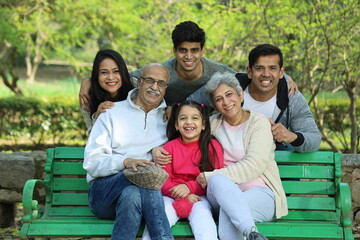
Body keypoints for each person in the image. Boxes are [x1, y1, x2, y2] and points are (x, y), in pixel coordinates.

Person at [83, 63, 174, 240]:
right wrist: (125, 162)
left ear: (165, 88)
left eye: (160, 83)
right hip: (104, 193)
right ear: (139, 82)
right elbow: (92, 162)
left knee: (132, 194)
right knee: (146, 176)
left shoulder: (168, 119)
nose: (155, 87)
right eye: (150, 81)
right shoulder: (111, 113)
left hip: (140, 198)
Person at [195, 72, 288, 240]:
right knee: (219, 183)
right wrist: (158, 149)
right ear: (215, 106)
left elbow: (254, 165)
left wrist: (211, 175)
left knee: (229, 209)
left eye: (229, 94)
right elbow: (184, 140)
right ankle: (252, 233)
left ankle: (249, 232)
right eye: (218, 99)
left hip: (259, 193)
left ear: (241, 95)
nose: (226, 102)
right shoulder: (211, 124)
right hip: (219, 192)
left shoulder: (259, 123)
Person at [188, 44, 320, 152]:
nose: (266, 74)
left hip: (271, 161)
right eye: (259, 68)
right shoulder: (229, 85)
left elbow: (314, 139)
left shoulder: (291, 97)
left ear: (281, 72)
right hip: (228, 155)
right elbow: (190, 104)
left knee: (286, 151)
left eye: (272, 68)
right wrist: (175, 109)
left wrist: (291, 137)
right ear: (250, 71)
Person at [143, 100, 224, 240]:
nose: (188, 122)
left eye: (195, 118)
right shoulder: (169, 148)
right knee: (160, 217)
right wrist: (181, 194)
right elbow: (163, 180)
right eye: (183, 118)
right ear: (176, 125)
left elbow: (215, 178)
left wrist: (189, 187)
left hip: (200, 196)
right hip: (171, 195)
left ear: (203, 124)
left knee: (203, 218)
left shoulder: (212, 146)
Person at [80, 49, 134, 132]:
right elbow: (92, 137)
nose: (111, 77)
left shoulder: (137, 87)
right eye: (104, 72)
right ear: (96, 75)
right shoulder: (87, 97)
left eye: (116, 71)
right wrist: (97, 117)